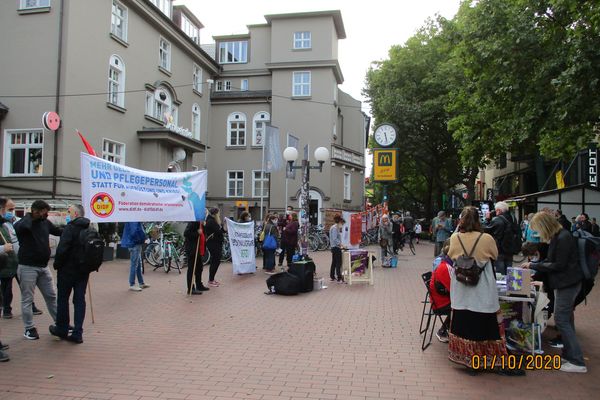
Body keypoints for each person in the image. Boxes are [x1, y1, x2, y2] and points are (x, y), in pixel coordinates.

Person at [447, 206, 523, 375]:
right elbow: (494, 255)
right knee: (486, 321)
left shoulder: (455, 238)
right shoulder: (486, 238)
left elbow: (452, 255)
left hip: (461, 286)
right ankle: (490, 358)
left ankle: (468, 359)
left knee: (464, 319)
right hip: (482, 285)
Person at [521, 212, 587, 373]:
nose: (537, 233)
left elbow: (558, 264)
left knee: (562, 319)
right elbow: (554, 262)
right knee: (566, 319)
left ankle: (577, 360)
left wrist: (534, 266)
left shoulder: (562, 238)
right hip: (565, 282)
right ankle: (570, 354)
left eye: (538, 229)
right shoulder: (560, 236)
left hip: (567, 283)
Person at [14, 200, 63, 340]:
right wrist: (32, 216)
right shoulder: (24, 223)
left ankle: (60, 323)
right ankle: (29, 328)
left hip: (43, 266)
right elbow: (22, 226)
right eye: (44, 211)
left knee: (51, 296)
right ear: (36, 211)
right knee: (27, 299)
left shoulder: (45, 223)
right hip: (27, 266)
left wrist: (74, 228)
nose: (47, 214)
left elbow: (58, 231)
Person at [49, 204, 90, 344]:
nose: (68, 214)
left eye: (69, 212)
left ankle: (62, 329)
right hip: (83, 271)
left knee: (63, 299)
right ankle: (78, 332)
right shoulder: (89, 227)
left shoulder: (70, 228)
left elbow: (62, 249)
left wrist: (57, 264)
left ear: (76, 214)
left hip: (67, 270)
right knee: (79, 300)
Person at [0, 198, 42, 319]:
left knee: (26, 286)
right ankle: (7, 310)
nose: (12, 212)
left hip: (21, 259)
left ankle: (31, 306)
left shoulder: (18, 221)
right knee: (6, 287)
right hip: (7, 261)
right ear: (3, 209)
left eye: (14, 209)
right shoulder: (2, 225)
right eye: (10, 209)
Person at [483, 201, 515, 274]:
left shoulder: (497, 220)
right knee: (509, 273)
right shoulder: (512, 219)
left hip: (499, 249)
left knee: (500, 274)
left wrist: (487, 219)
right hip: (510, 249)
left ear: (499, 210)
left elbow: (485, 230)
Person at [430, 240, 452, 343]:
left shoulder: (445, 264)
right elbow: (453, 290)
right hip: (441, 303)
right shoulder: (444, 267)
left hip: (441, 299)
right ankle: (444, 330)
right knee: (464, 308)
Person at [121, 222, 150, 292]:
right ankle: (132, 284)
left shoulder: (132, 217)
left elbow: (134, 231)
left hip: (134, 243)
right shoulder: (134, 218)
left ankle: (141, 283)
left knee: (138, 263)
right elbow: (134, 232)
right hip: (134, 243)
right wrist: (144, 238)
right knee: (134, 264)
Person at [183, 220, 207, 294]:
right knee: (192, 269)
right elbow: (186, 233)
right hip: (193, 250)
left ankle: (199, 285)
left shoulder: (200, 223)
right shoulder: (193, 222)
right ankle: (190, 289)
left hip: (198, 250)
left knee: (199, 268)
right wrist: (197, 233)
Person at [205, 208, 225, 286]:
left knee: (216, 261)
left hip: (216, 243)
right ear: (215, 214)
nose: (219, 215)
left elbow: (222, 231)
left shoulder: (213, 221)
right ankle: (211, 280)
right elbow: (219, 232)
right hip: (213, 244)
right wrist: (222, 228)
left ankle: (212, 278)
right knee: (215, 261)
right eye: (218, 213)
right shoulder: (211, 221)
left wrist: (224, 226)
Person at [329, 215, 345, 282]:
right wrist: (341, 245)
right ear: (340, 222)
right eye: (342, 223)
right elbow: (335, 239)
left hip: (334, 247)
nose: (342, 225)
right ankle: (339, 277)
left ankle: (332, 276)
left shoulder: (334, 227)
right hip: (336, 247)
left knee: (334, 262)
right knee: (339, 262)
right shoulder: (335, 228)